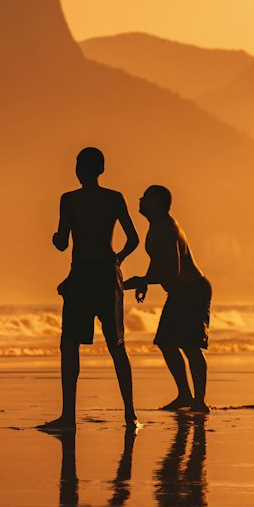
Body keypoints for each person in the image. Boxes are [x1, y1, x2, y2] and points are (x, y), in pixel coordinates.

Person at [41, 146, 139, 431]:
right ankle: (130, 415)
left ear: (79, 169)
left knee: (70, 344)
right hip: (108, 274)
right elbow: (133, 239)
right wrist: (117, 260)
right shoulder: (114, 198)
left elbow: (63, 243)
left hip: (82, 273)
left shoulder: (69, 200)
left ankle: (68, 417)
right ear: (102, 170)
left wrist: (55, 238)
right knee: (117, 345)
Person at [124, 184, 212, 413]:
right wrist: (145, 279)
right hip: (180, 292)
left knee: (191, 346)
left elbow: (173, 270)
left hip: (192, 290)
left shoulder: (166, 228)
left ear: (156, 204)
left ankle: (200, 401)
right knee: (166, 342)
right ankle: (185, 395)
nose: (140, 200)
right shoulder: (156, 226)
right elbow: (158, 260)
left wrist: (140, 281)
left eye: (145, 198)